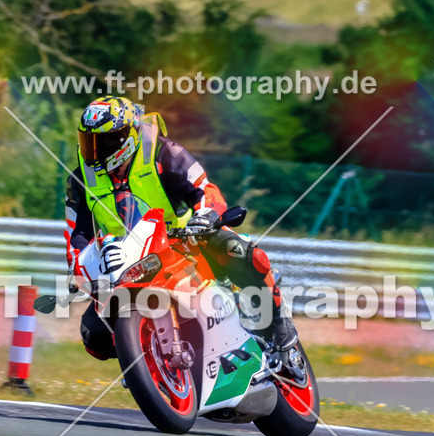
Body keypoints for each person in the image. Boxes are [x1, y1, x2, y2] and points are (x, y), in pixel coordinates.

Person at [64, 95, 297, 360]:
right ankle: (146, 360)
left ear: (127, 137)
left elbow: (204, 190)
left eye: (104, 142)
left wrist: (206, 215)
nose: (95, 150)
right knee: (94, 334)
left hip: (187, 240)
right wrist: (77, 267)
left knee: (238, 251)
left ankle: (277, 319)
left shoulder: (165, 152)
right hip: (129, 257)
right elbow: (77, 232)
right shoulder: (80, 178)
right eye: (89, 141)